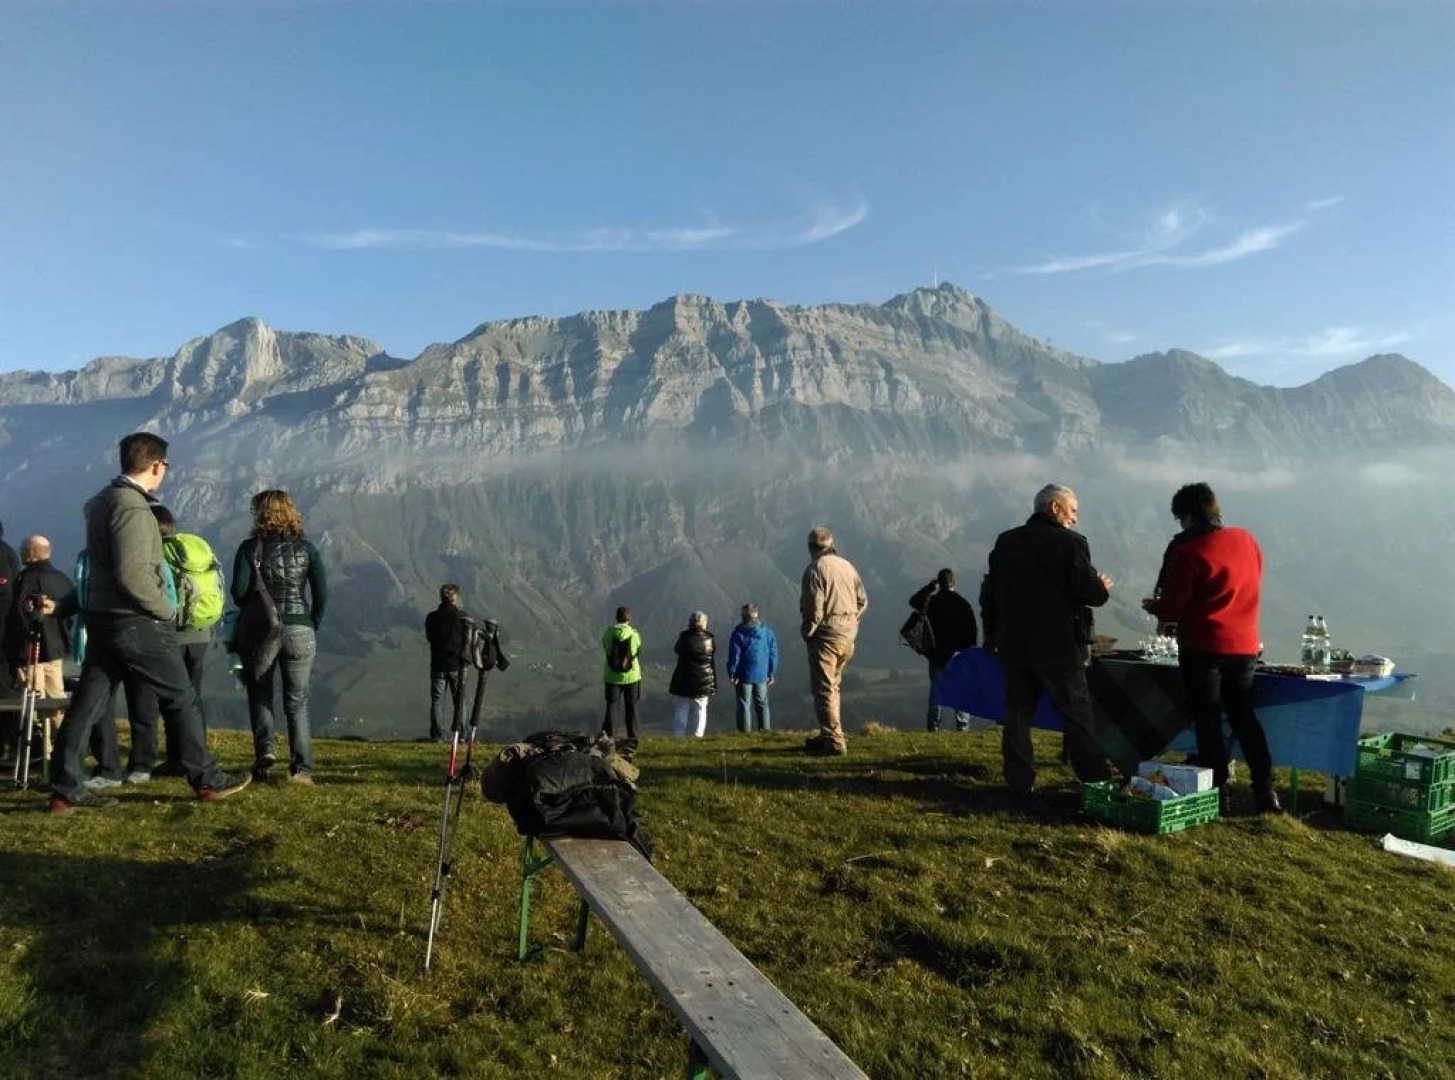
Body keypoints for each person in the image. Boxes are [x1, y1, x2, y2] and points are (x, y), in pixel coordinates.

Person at [46, 432, 249, 811]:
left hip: (102, 618)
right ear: (156, 465)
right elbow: (133, 573)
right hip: (137, 620)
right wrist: (165, 610)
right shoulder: (134, 508)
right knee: (182, 697)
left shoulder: (101, 502)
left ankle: (64, 790)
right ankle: (207, 779)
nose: (166, 472)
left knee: (88, 703)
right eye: (166, 466)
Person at [981, 484, 1134, 795]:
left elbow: (990, 595)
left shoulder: (1006, 542)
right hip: (1060, 648)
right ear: (1054, 508)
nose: (1075, 519)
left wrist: (992, 635)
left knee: (1017, 715)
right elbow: (1090, 594)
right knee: (1077, 715)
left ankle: (1020, 781)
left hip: (1014, 644)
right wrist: (1101, 586)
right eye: (1073, 510)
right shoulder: (1071, 544)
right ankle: (1094, 779)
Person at [1142, 483, 1279, 815]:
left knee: (1208, 719)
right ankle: (1265, 790)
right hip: (1245, 645)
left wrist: (1154, 607)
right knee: (1244, 717)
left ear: (1187, 515)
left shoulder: (1187, 552)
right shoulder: (1246, 540)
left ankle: (1219, 793)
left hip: (1204, 646)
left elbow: (1174, 608)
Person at [231, 489, 326, 785]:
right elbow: (321, 593)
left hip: (262, 631)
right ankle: (302, 770)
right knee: (297, 701)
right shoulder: (307, 549)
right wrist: (310, 622)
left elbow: (239, 593)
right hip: (301, 629)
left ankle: (265, 756)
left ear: (260, 514)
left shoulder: (250, 549)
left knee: (260, 693)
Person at [134, 506, 222, 780]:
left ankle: (177, 759)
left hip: (172, 634)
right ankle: (199, 753)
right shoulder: (195, 545)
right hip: (202, 631)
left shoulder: (158, 553)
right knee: (192, 696)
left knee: (173, 698)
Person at [799, 527, 868, 756]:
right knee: (833, 685)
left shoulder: (815, 570)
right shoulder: (847, 566)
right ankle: (826, 733)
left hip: (827, 636)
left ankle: (834, 741)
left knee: (824, 689)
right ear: (832, 545)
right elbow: (862, 601)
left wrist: (808, 631)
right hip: (848, 634)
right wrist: (850, 622)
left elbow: (814, 611)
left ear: (811, 548)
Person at [8, 536, 74, 744]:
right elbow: (69, 613)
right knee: (56, 704)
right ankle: (61, 750)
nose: (19, 553)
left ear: (30, 552)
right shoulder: (63, 579)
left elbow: (17, 616)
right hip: (56, 652)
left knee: (31, 706)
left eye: (22, 549)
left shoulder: (23, 580)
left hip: (30, 654)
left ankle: (38, 751)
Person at [909, 568, 978, 731]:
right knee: (961, 690)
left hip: (936, 654)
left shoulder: (932, 602)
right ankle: (963, 725)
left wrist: (929, 588)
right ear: (954, 582)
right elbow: (972, 630)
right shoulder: (963, 604)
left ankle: (934, 725)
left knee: (936, 690)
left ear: (939, 583)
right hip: (958, 654)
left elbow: (914, 602)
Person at [424, 584, 468, 742]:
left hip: (437, 664)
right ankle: (461, 735)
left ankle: (437, 736)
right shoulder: (462, 617)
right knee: (460, 700)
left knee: (437, 701)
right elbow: (468, 639)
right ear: (455, 598)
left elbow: (429, 637)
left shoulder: (432, 617)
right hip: (456, 664)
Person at [726, 602, 778, 732]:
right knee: (762, 703)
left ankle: (745, 733)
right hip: (762, 674)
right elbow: (773, 654)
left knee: (744, 704)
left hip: (743, 675)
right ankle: (765, 730)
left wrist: (732, 673)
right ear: (756, 614)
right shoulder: (767, 633)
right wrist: (771, 673)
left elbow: (735, 656)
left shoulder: (738, 634)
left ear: (743, 616)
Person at [669, 611, 717, 737]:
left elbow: (677, 650)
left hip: (684, 677)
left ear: (690, 623)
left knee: (681, 707)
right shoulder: (710, 639)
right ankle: (698, 735)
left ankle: (678, 735)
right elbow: (712, 653)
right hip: (704, 679)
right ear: (704, 623)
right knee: (701, 709)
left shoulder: (684, 637)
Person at [600, 606, 642, 749]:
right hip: (632, 677)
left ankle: (608, 737)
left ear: (616, 618)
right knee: (632, 707)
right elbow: (637, 650)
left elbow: (605, 647)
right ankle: (633, 738)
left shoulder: (609, 633)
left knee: (612, 707)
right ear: (629, 619)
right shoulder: (634, 634)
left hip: (612, 677)